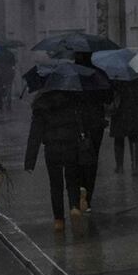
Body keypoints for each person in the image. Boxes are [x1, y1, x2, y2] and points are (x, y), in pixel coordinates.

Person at [25, 90, 86, 233]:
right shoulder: (72, 99)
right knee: (72, 179)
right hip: (71, 145)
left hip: (52, 149)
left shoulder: (41, 104)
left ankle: (59, 220)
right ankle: (74, 206)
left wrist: (30, 161)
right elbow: (79, 123)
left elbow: (35, 134)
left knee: (55, 184)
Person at [74, 52, 111, 212]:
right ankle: (88, 198)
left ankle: (76, 194)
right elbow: (108, 97)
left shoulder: (71, 74)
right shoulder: (99, 74)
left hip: (76, 123)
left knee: (75, 160)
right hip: (96, 124)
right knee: (92, 159)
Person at [110, 77, 138, 175]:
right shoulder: (137, 76)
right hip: (134, 111)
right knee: (134, 137)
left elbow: (110, 93)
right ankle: (135, 167)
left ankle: (119, 167)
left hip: (120, 112)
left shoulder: (116, 76)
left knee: (118, 138)